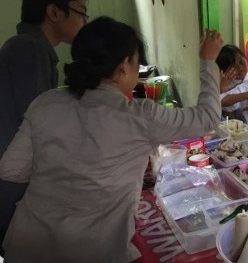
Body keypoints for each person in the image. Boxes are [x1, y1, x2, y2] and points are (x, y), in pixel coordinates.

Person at [0, 17, 222, 261]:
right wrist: (208, 61)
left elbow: (10, 169)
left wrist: (60, 174)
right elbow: (208, 117)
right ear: (124, 65)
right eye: (138, 62)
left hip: (25, 246)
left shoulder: (45, 102)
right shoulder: (138, 115)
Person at [0, 0, 90, 256]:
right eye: (81, 12)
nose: (84, 21)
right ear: (53, 12)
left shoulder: (33, 48)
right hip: (11, 188)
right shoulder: (29, 50)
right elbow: (39, 131)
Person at [216, 44, 248, 121]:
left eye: (241, 61)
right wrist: (223, 89)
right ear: (224, 71)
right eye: (233, 67)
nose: (240, 68)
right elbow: (225, 117)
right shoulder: (220, 86)